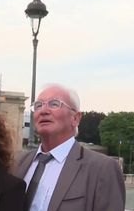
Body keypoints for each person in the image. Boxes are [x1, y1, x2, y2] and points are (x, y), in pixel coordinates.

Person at [13, 83, 125, 211]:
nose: (43, 111)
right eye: (38, 105)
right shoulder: (17, 162)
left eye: (54, 104)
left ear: (75, 118)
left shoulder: (102, 169)